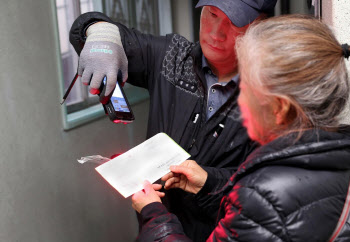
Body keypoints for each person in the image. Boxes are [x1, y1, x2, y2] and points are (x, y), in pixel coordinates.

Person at [69, 0, 277, 240]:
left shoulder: (270, 96)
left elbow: (263, 192)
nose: (216, 32)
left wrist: (208, 181)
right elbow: (86, 30)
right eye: (211, 14)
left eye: (234, 23)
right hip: (155, 230)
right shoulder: (172, 57)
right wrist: (101, 35)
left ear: (261, 26)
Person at [131, 14, 350, 241]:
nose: (239, 99)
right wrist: (209, 183)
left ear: (280, 108)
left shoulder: (263, 196)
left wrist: (154, 216)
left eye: (246, 86)